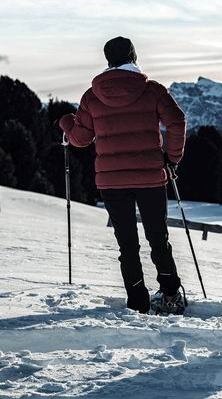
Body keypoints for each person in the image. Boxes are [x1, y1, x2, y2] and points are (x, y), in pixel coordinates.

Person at [58, 36, 187, 315]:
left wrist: (66, 122)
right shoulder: (152, 90)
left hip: (112, 182)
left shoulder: (92, 96)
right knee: (158, 237)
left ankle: (137, 301)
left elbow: (80, 139)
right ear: (134, 56)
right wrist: (172, 158)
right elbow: (176, 121)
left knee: (127, 243)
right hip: (151, 177)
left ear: (108, 60)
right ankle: (170, 295)